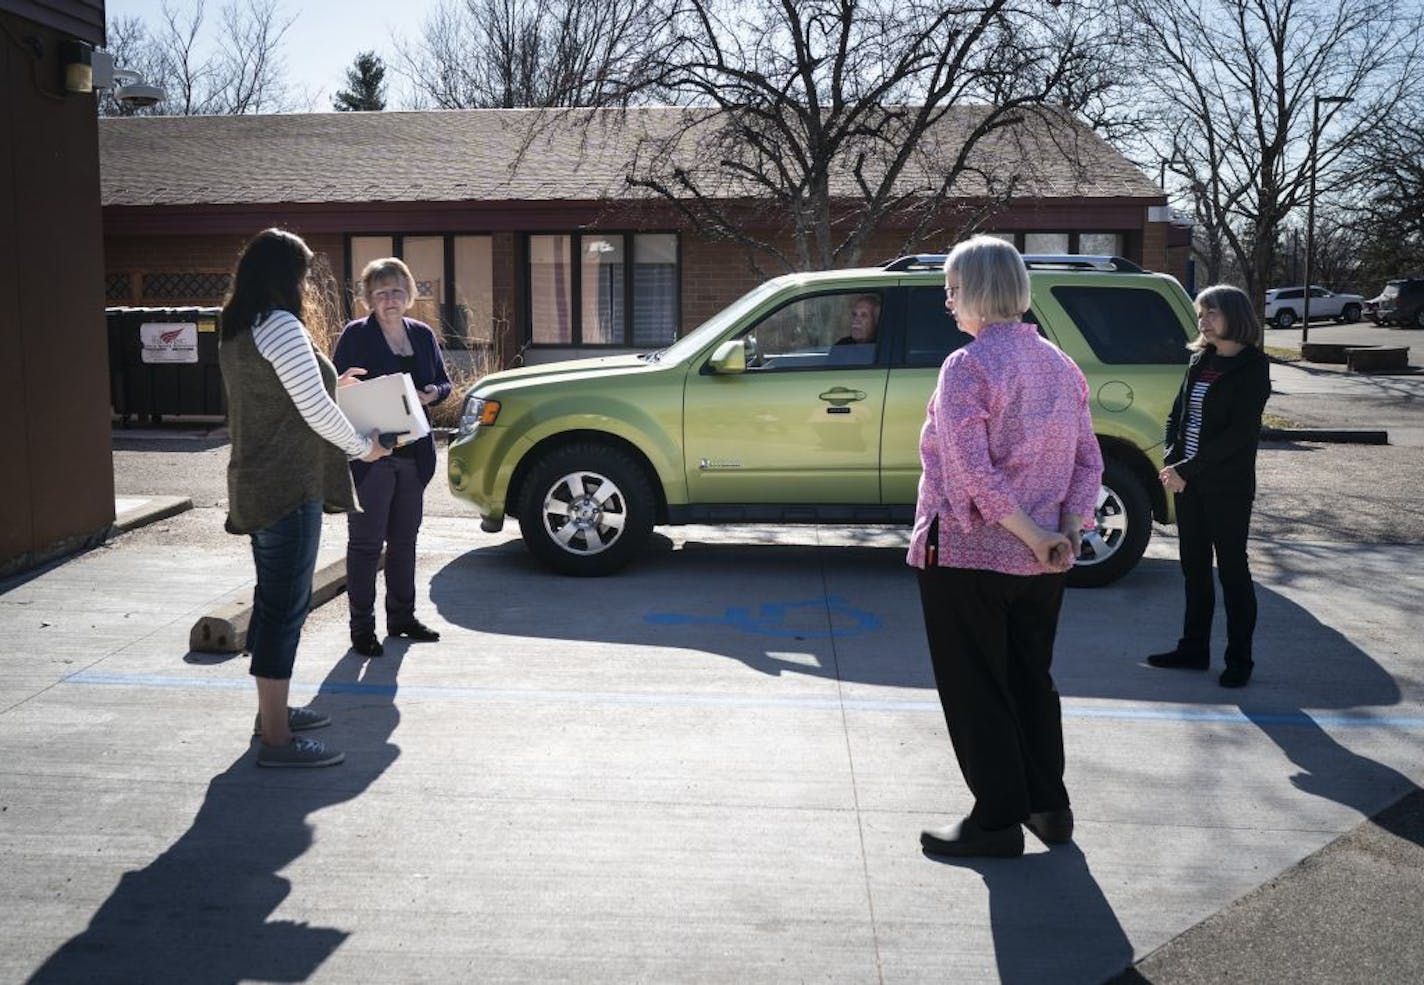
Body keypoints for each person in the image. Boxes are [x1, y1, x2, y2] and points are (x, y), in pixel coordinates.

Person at [908, 235, 1103, 858]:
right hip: (1043, 563)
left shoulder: (967, 365)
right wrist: (1066, 530)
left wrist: (1040, 532)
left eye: (952, 287)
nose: (947, 300)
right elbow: (1087, 459)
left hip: (968, 554)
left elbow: (969, 471)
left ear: (978, 291)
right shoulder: (1059, 362)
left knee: (976, 688)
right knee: (1029, 680)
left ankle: (996, 821)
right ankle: (1049, 806)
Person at [219, 228, 390, 768]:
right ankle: (276, 741)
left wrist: (337, 386)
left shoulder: (240, 327)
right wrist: (363, 448)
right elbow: (313, 412)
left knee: (274, 603)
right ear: (284, 276)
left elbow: (290, 399)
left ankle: (273, 713)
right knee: (285, 610)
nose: (308, 282)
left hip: (258, 481)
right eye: (303, 272)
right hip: (288, 486)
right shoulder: (281, 325)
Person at [1148, 284, 1270, 688]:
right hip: (1190, 480)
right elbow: (1176, 416)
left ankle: (1240, 659)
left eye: (1211, 312)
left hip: (1226, 485)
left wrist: (1189, 467)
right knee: (1194, 568)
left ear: (1235, 315)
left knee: (1232, 570)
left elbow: (1239, 435)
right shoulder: (1200, 360)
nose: (1204, 320)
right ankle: (1193, 649)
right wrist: (1171, 459)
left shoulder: (1254, 367)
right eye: (1201, 314)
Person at [334, 258, 451, 658]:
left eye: (397, 291)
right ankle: (361, 628)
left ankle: (401, 619)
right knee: (366, 546)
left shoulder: (422, 334)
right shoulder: (355, 335)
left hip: (414, 456)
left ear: (409, 295)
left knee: (404, 543)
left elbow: (444, 381)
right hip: (371, 456)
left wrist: (433, 391)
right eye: (381, 292)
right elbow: (338, 390)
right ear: (369, 298)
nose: (390, 299)